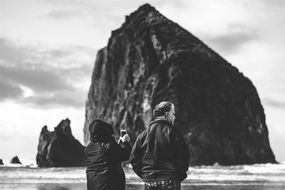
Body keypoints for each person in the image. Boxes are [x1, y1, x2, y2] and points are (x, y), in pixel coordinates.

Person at [130, 101, 190, 190]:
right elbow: (184, 156)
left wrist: (145, 175)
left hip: (149, 181)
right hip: (170, 179)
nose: (175, 117)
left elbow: (134, 158)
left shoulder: (144, 134)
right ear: (167, 115)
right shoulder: (173, 132)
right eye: (173, 113)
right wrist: (179, 176)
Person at [85, 119, 131, 190]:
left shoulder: (88, 148)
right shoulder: (110, 146)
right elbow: (126, 155)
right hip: (110, 186)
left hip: (93, 186)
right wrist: (126, 142)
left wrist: (117, 145)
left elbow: (107, 158)